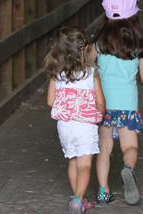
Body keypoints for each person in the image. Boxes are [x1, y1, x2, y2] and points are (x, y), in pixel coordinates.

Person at [88, 0, 143, 206]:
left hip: (103, 106)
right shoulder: (139, 47)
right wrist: (136, 80)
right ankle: (128, 169)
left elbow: (86, 67)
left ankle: (103, 192)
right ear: (133, 17)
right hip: (128, 107)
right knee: (129, 146)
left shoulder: (98, 45)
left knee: (104, 148)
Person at [46, 27, 106, 214]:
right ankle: (78, 199)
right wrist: (101, 115)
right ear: (85, 48)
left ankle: (77, 198)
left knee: (72, 162)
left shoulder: (57, 73)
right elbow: (100, 101)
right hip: (85, 125)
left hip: (65, 126)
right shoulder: (91, 72)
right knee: (85, 165)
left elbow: (50, 101)